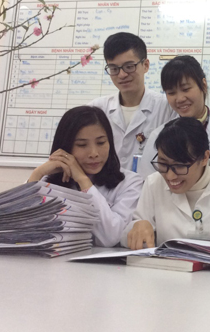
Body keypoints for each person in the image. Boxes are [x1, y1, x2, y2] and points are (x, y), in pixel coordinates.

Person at [122, 117, 210, 249]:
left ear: (205, 157)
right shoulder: (154, 184)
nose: (170, 176)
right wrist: (138, 226)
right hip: (168, 265)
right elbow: (128, 236)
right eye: (163, 164)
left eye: (180, 166)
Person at [28, 106, 143, 247]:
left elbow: (110, 237)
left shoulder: (130, 182)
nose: (94, 153)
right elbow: (19, 227)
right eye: (82, 145)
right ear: (65, 147)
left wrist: (83, 180)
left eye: (101, 143)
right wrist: (37, 174)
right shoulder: (47, 181)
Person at [136, 55, 210, 178]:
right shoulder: (158, 135)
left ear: (203, 85)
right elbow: (148, 182)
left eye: (186, 89)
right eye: (171, 93)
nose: (180, 99)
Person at [88, 32, 176, 171]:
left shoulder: (168, 108)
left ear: (145, 65)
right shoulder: (96, 109)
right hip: (103, 185)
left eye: (129, 67)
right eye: (114, 69)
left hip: (150, 185)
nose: (122, 75)